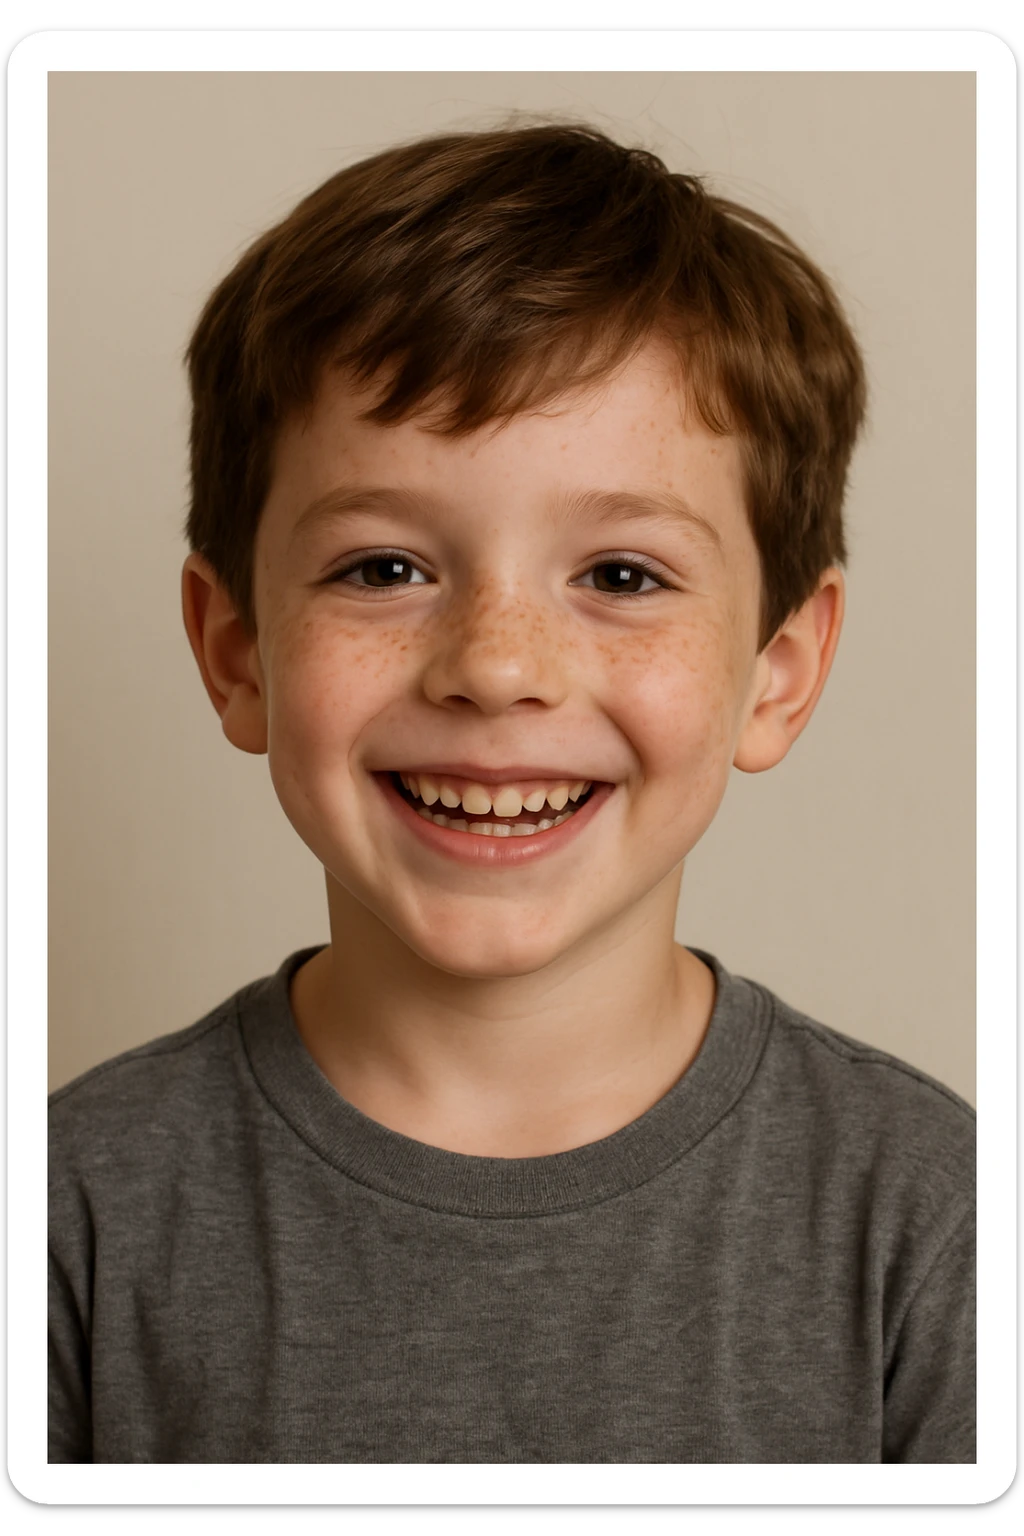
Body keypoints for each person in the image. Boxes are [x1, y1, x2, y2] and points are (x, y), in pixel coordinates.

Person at [48, 122, 975, 1464]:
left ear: (777, 671)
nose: (495, 667)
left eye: (621, 576)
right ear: (234, 649)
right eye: (382, 568)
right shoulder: (70, 1218)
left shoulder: (935, 1229)